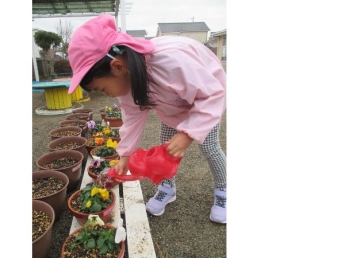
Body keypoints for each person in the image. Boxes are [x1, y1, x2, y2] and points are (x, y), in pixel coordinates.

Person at [67, 14, 227, 224]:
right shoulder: (127, 81)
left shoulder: (170, 62)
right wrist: (124, 155)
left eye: (102, 89)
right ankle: (167, 188)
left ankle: (224, 189)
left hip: (205, 103)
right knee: (165, 150)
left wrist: (188, 133)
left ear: (117, 67)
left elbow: (212, 94)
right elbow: (133, 117)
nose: (107, 95)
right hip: (173, 109)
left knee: (210, 148)